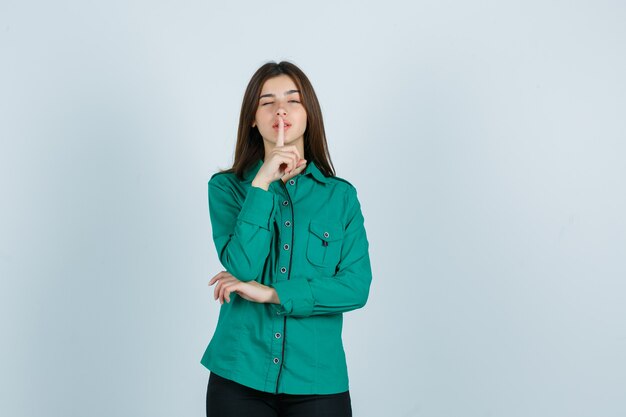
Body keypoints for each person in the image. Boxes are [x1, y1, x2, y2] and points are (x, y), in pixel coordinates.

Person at [201, 61, 373, 417]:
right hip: (239, 376)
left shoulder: (340, 197)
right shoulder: (227, 189)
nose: (280, 109)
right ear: (252, 118)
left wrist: (271, 293)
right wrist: (262, 182)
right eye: (267, 102)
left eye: (292, 100)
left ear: (308, 113)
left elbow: (356, 287)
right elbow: (242, 264)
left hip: (318, 381)